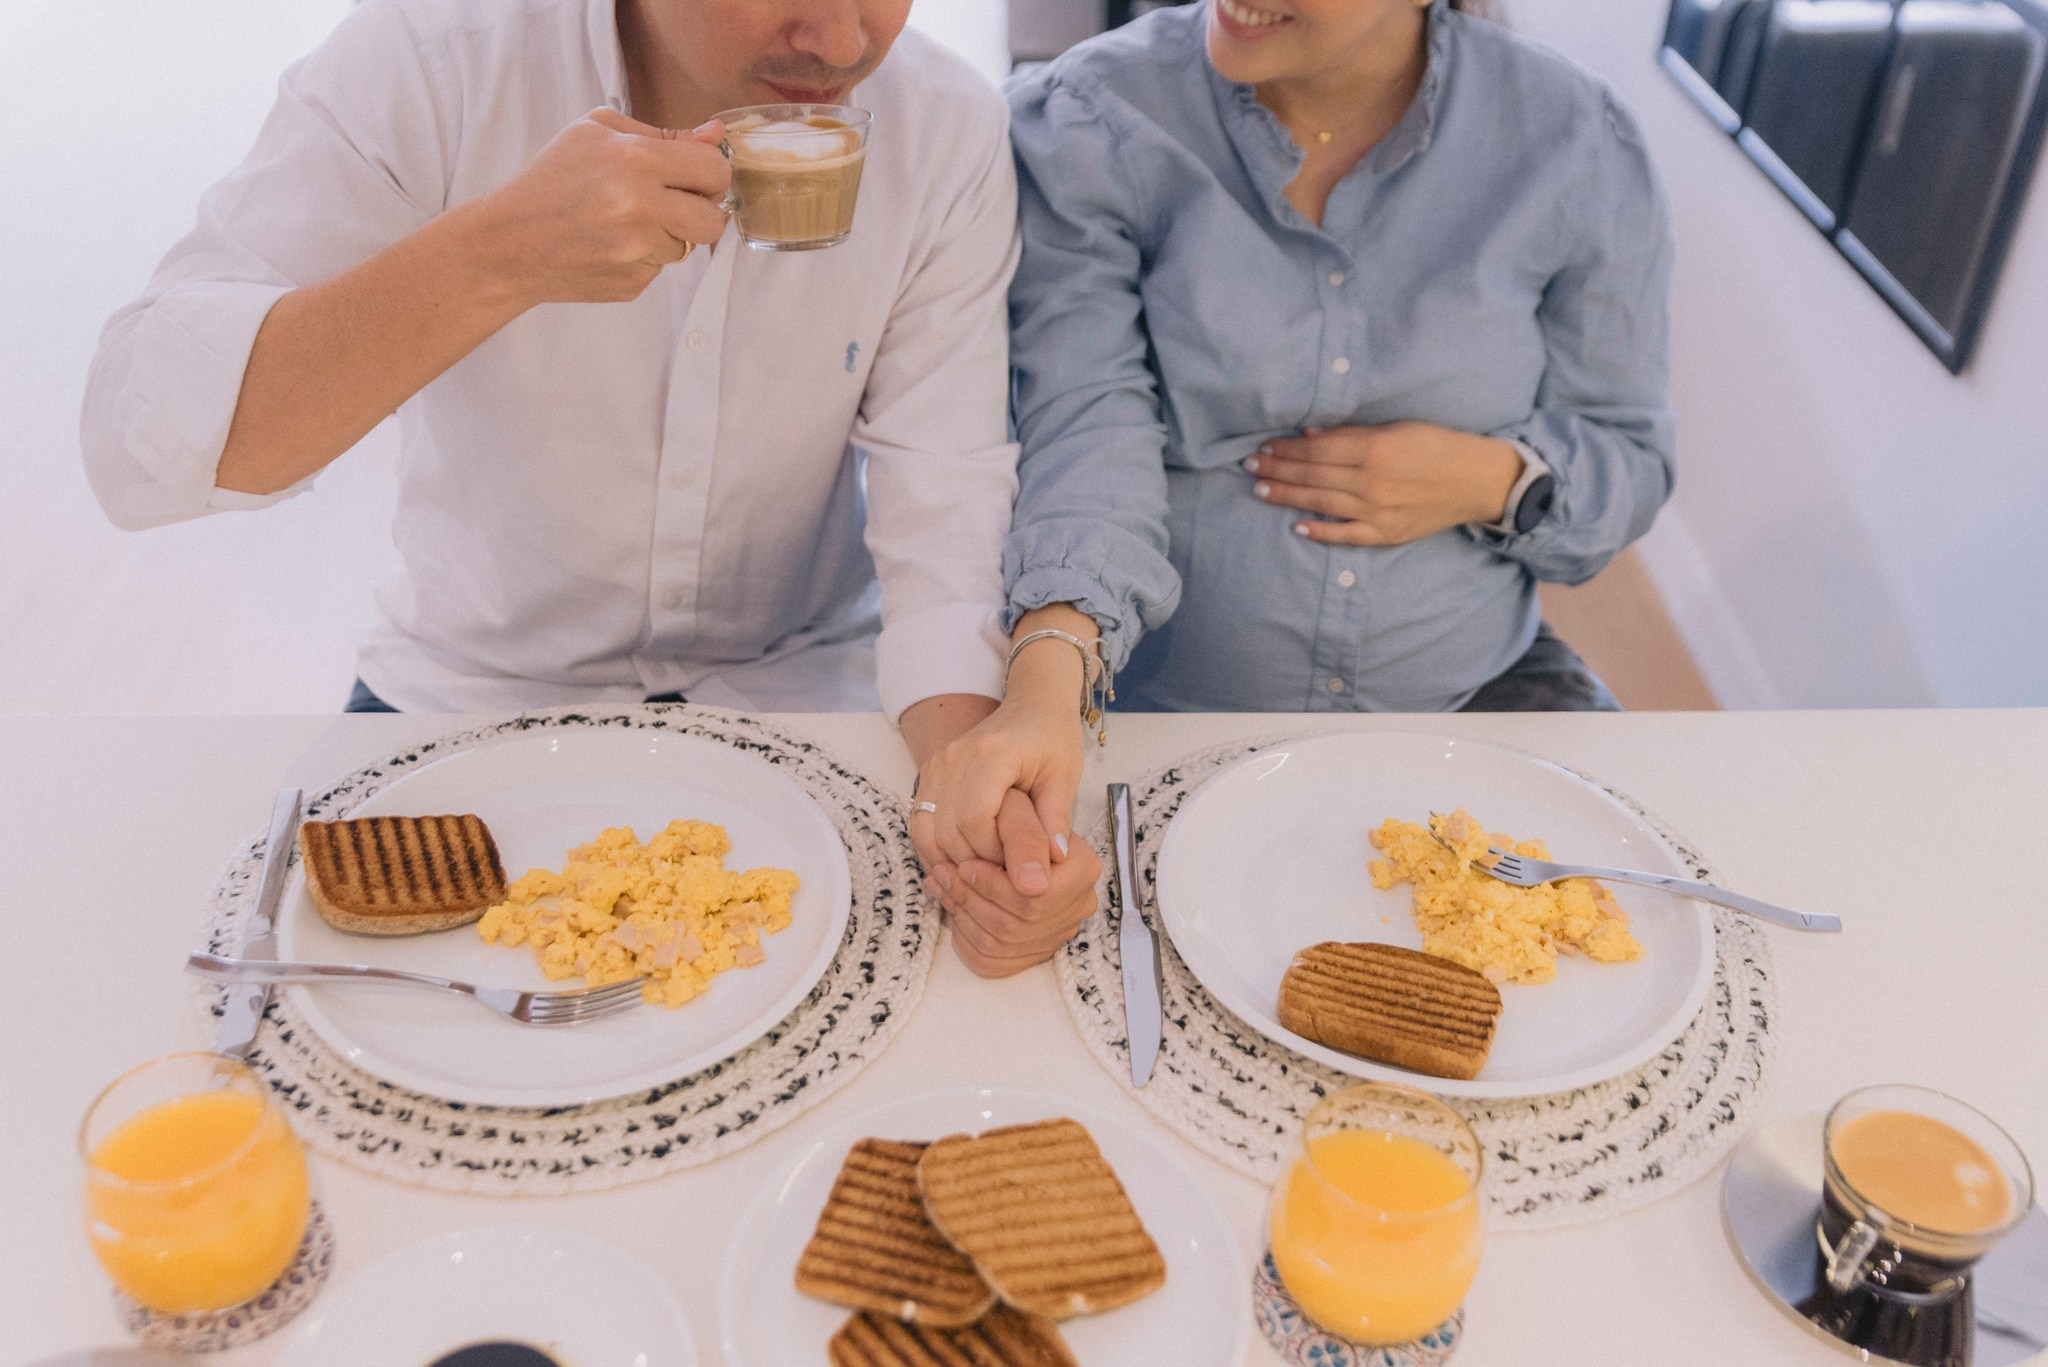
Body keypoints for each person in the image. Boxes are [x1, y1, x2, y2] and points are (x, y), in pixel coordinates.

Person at [80, 0, 1105, 971]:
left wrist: (977, 811)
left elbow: (946, 517)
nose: (840, 39)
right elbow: (137, 448)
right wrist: (487, 259)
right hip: (465, 692)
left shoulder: (941, 129)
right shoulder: (436, 60)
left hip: (798, 687)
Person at [916, 0, 1678, 969]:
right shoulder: (1090, 119)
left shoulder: (1575, 143)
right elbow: (1085, 428)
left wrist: (1494, 479)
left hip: (1470, 698)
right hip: (1159, 718)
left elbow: (1628, 456)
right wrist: (1048, 677)